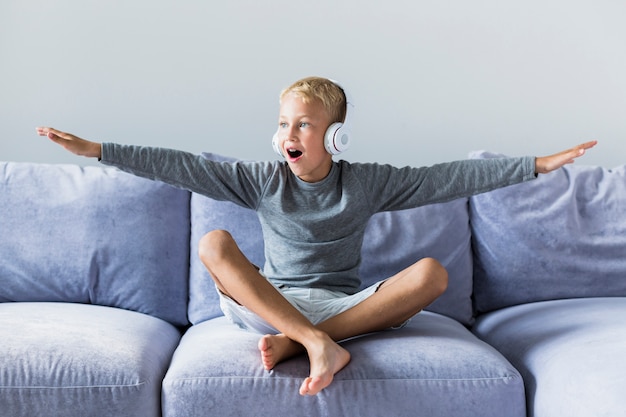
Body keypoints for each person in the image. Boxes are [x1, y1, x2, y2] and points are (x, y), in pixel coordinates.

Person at [36, 76, 596, 396]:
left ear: (337, 135)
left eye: (303, 123)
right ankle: (313, 339)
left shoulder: (367, 183)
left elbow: (444, 178)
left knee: (433, 274)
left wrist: (536, 164)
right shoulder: (261, 179)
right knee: (215, 245)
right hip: (269, 303)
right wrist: (97, 151)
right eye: (283, 123)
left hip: (342, 301)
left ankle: (311, 338)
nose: (289, 134)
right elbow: (177, 164)